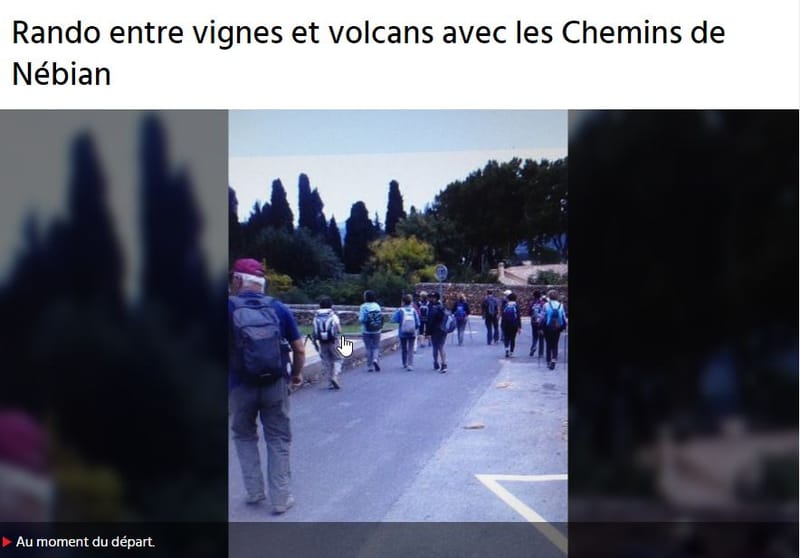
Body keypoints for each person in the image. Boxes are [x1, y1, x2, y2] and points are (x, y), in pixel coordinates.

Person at [228, 258, 304, 515]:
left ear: (238, 280)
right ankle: (281, 498)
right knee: (278, 437)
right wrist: (296, 374)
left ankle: (254, 491)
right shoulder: (278, 308)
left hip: (239, 385)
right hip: (275, 383)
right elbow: (299, 348)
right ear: (262, 283)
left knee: (243, 435)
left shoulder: (227, 308)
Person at [313, 296, 343, 389]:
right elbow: (339, 330)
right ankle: (335, 376)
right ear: (331, 305)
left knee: (327, 361)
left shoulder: (316, 316)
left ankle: (330, 382)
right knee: (338, 359)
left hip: (322, 342)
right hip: (333, 341)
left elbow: (315, 331)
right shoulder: (333, 316)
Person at [392, 294, 420, 371]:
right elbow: (418, 322)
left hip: (402, 332)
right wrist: (415, 328)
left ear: (403, 302)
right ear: (411, 302)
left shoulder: (400, 310)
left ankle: (404, 363)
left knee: (404, 348)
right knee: (411, 348)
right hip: (412, 332)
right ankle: (410, 364)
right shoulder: (413, 310)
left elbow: (393, 319)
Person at [359, 290, 383, 372]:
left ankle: (370, 366)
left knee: (368, 347)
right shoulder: (377, 306)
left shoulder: (363, 307)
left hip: (366, 330)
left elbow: (362, 319)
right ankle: (375, 359)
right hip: (377, 329)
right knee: (376, 346)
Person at [543, 289, 567, 370]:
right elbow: (563, 317)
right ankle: (554, 360)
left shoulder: (546, 305)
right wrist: (564, 326)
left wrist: (540, 326)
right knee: (555, 343)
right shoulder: (561, 305)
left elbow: (543, 316)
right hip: (557, 327)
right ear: (557, 296)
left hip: (548, 327)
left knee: (548, 344)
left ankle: (548, 361)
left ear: (549, 296)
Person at [427, 292, 449, 373]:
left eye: (432, 297)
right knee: (441, 346)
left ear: (435, 298)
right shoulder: (443, 307)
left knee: (435, 347)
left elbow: (430, 320)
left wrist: (428, 332)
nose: (431, 299)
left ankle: (436, 363)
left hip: (435, 330)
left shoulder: (433, 308)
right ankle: (444, 364)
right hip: (443, 329)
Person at [501, 292, 522, 358]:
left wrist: (502, 325)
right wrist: (519, 326)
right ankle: (511, 352)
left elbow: (503, 315)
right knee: (513, 338)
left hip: (506, 324)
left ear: (508, 298)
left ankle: (506, 349)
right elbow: (518, 316)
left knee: (506, 337)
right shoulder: (516, 306)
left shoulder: (505, 305)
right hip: (514, 324)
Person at [529, 290, 545, 358]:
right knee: (541, 337)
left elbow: (529, 312)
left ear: (534, 296)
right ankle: (541, 353)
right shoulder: (543, 303)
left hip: (533, 321)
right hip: (541, 322)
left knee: (535, 336)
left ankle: (534, 346)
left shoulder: (532, 303)